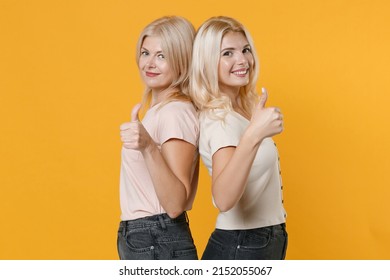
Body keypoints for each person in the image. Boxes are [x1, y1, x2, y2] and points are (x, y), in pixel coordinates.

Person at [190, 16, 287, 260]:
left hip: (258, 241)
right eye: (227, 53)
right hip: (242, 244)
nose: (242, 60)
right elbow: (223, 198)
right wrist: (255, 134)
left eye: (245, 50)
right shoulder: (219, 118)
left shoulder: (238, 113)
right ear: (207, 62)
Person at [117, 16, 199, 260]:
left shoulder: (175, 113)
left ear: (182, 62)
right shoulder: (161, 110)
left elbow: (175, 204)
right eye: (145, 53)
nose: (149, 64)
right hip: (149, 237)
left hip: (156, 236)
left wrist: (148, 146)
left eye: (162, 56)